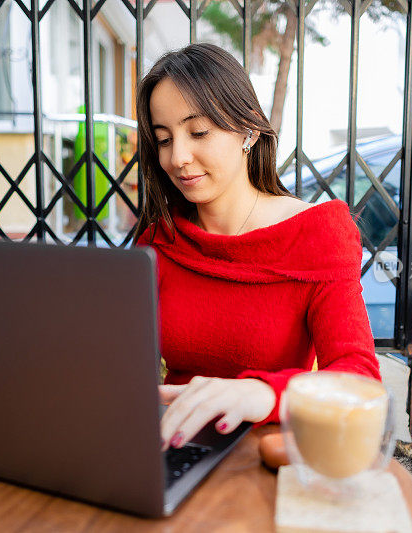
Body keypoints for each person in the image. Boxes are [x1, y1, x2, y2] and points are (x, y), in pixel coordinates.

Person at [133, 43, 380, 452]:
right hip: (172, 449)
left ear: (247, 130)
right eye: (163, 139)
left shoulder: (318, 234)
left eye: (198, 132)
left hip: (266, 454)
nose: (177, 157)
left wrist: (258, 394)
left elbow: (358, 377)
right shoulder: (161, 241)